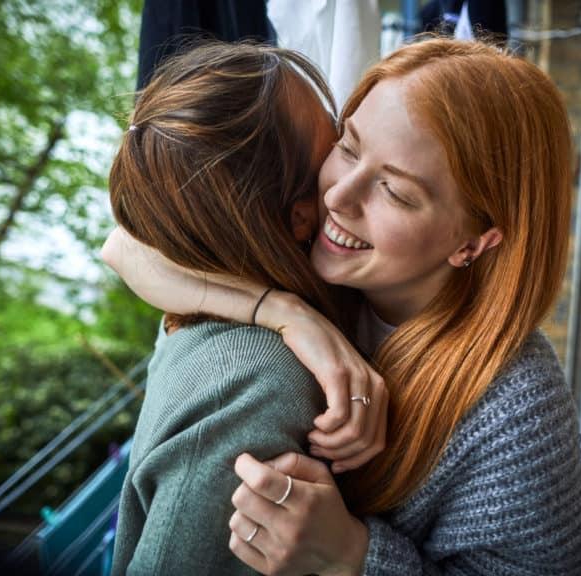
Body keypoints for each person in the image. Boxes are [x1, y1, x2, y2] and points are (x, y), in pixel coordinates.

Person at [104, 38, 581, 575]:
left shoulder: (513, 407)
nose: (337, 196)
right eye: (348, 147)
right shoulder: (314, 257)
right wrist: (284, 312)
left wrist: (353, 555)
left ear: (473, 242)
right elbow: (125, 245)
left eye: (396, 192)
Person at [104, 41, 387, 576]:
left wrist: (276, 308)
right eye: (336, 138)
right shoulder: (257, 385)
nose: (345, 135)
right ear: (302, 217)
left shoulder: (190, 293)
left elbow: (119, 244)